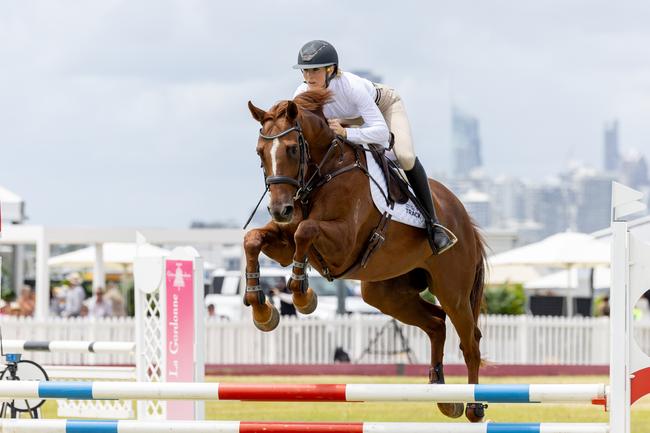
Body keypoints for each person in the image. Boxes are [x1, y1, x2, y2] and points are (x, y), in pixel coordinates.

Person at [292, 40, 456, 255]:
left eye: (315, 70)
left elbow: (380, 132)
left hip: (384, 107)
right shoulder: (301, 94)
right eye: (305, 70)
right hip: (347, 121)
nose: (309, 77)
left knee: (405, 157)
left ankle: (433, 225)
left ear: (330, 69)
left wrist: (346, 133)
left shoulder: (351, 87)